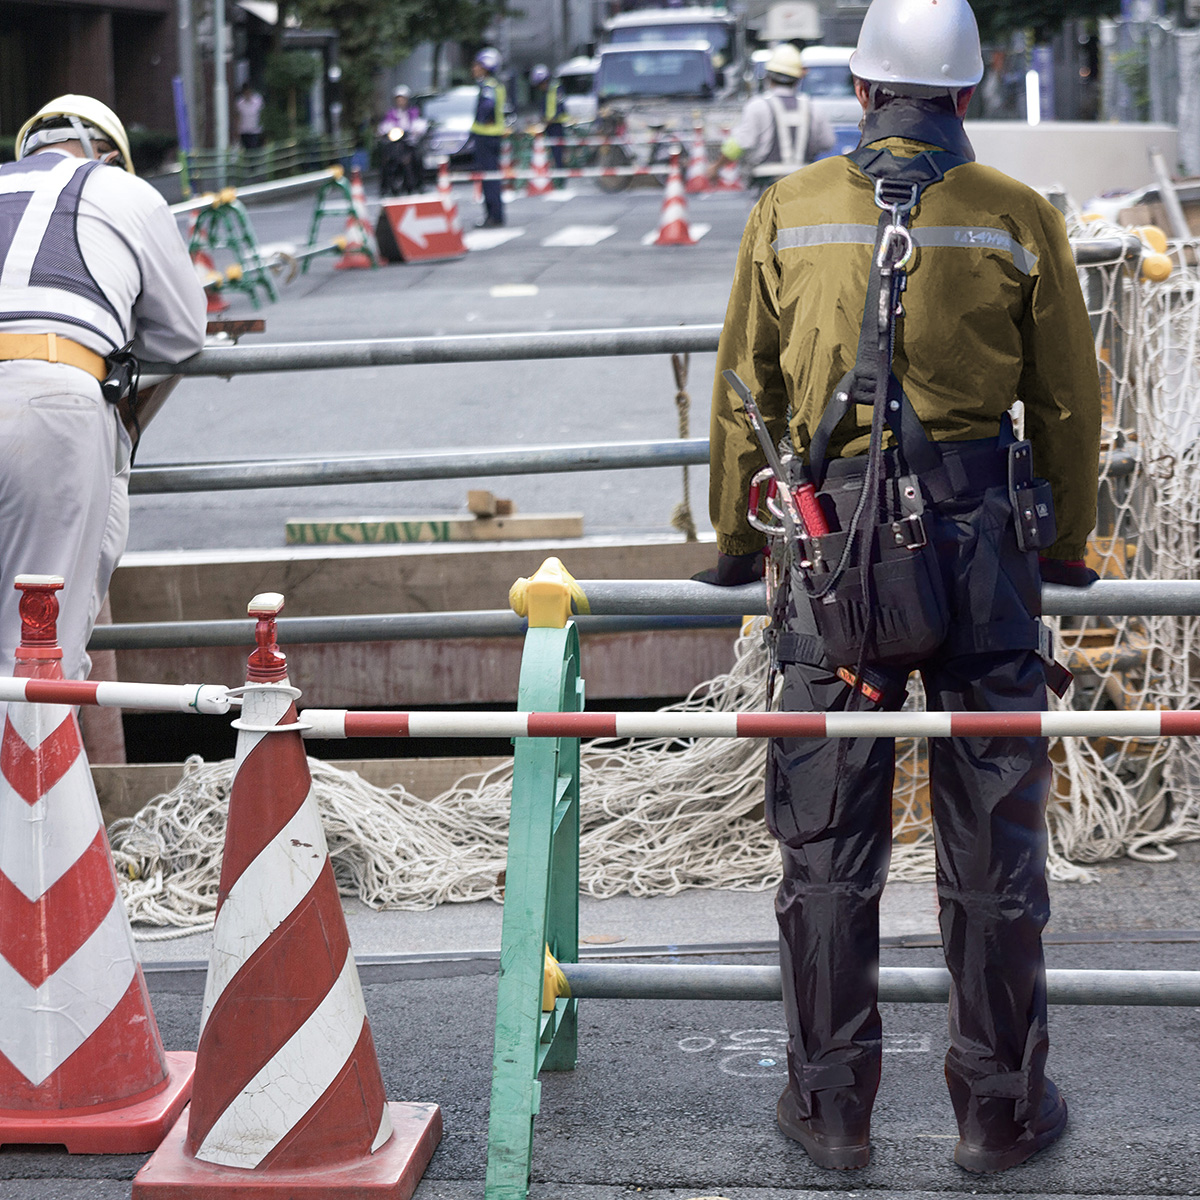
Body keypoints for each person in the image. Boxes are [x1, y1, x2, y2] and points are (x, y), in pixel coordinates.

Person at [697, 0, 1101, 1176]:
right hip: (983, 558)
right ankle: (999, 1116)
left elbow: (745, 387)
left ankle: (831, 1112)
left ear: (862, 89)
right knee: (995, 846)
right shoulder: (1016, 214)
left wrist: (737, 540)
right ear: (967, 93)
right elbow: (1067, 400)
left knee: (826, 844)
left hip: (835, 561)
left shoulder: (790, 209)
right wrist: (1066, 544)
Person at [0, 95, 206, 686]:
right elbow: (182, 333)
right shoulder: (124, 191)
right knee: (39, 648)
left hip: (46, 393)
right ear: (109, 154)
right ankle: (36, 751)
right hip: (52, 398)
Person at [714, 44, 834, 188]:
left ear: (769, 76)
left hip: (765, 183)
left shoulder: (757, 106)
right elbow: (827, 143)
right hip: (804, 183)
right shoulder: (813, 108)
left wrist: (715, 167)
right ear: (798, 78)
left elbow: (740, 144)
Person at [471, 47, 508, 228]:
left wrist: (481, 120)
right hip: (493, 136)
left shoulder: (488, 86)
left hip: (486, 136)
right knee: (492, 177)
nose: (474, 68)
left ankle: (493, 216)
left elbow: (488, 107)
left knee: (489, 178)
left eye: (477, 65)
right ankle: (495, 215)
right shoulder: (496, 85)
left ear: (486, 67)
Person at [529, 63, 567, 172]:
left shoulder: (556, 88)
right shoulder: (545, 92)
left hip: (557, 125)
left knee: (558, 151)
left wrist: (548, 121)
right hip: (549, 125)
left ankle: (560, 175)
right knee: (549, 151)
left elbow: (560, 107)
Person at [236, 83, 265, 151]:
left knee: (254, 149)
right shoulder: (240, 102)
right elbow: (238, 116)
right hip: (244, 130)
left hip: (255, 130)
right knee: (247, 150)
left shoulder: (258, 100)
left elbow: (262, 113)